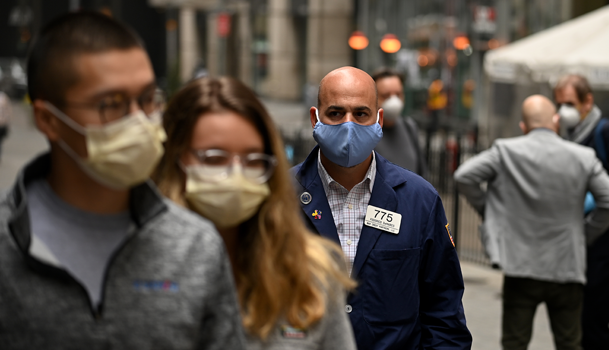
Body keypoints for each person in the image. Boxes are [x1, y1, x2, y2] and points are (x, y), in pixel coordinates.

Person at [0, 12, 245, 349]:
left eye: (147, 99)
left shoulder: (195, 246)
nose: (140, 121)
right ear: (48, 119)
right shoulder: (6, 246)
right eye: (111, 104)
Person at [152, 76, 357, 350]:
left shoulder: (310, 273)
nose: (236, 175)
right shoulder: (140, 267)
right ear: (174, 161)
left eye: (253, 160)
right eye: (214, 158)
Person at [291, 66, 472, 349]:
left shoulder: (419, 200)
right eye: (336, 113)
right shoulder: (280, 199)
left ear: (379, 118)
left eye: (361, 114)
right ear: (316, 118)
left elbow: (444, 313)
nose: (348, 125)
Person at [454, 95, 609, 350]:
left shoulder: (505, 151)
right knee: (569, 343)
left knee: (515, 342)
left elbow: (463, 176)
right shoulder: (583, 156)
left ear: (523, 126)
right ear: (556, 121)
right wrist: (584, 233)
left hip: (520, 265)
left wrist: (491, 211)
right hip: (567, 265)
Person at [554, 74, 609, 350]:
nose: (563, 111)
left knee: (595, 326)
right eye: (559, 104)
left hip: (607, 247)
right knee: (576, 325)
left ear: (587, 101)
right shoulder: (568, 135)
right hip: (579, 244)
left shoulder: (606, 131)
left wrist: (601, 198)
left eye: (569, 103)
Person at [372, 68, 427, 177]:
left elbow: (423, 172)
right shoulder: (366, 132)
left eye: (398, 94)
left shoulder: (409, 127)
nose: (394, 101)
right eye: (386, 96)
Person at [0, 90, 11, 161]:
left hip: (1, 124)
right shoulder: (4, 97)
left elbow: (8, 111)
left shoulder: (4, 97)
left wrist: (7, 121)